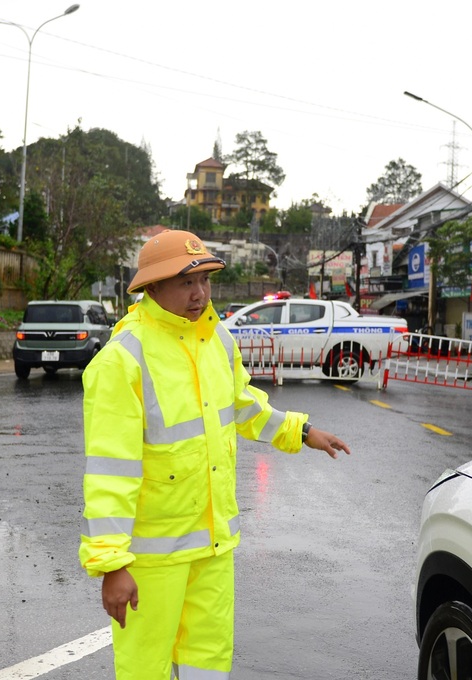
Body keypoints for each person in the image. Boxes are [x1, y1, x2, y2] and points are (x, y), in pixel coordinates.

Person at [79, 229, 351, 680]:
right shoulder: (122, 359)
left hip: (212, 544)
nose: (200, 292)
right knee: (144, 668)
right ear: (152, 287)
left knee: (207, 661)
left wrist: (301, 432)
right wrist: (112, 564)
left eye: (205, 280)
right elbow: (110, 471)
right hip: (153, 558)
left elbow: (243, 405)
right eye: (187, 282)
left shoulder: (216, 339)